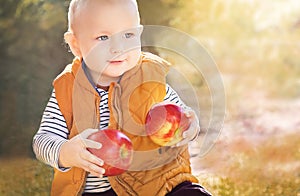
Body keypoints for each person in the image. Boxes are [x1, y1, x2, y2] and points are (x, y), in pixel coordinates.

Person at [32, 0, 212, 195]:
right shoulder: (66, 90)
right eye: (102, 37)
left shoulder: (150, 80)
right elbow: (42, 140)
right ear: (76, 44)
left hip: (157, 185)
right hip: (96, 192)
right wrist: (65, 153)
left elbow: (181, 120)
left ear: (139, 34)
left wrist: (189, 127)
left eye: (128, 35)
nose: (118, 48)